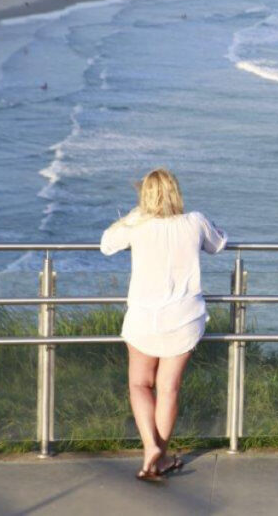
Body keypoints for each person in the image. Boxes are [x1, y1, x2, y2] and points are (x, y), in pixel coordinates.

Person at [101, 168, 227, 482]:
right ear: (175, 192)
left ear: (145, 197)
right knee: (168, 388)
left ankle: (150, 450)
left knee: (139, 385)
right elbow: (219, 243)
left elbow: (106, 244)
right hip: (184, 318)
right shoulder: (194, 222)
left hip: (144, 318)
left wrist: (134, 215)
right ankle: (160, 455)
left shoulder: (138, 225)